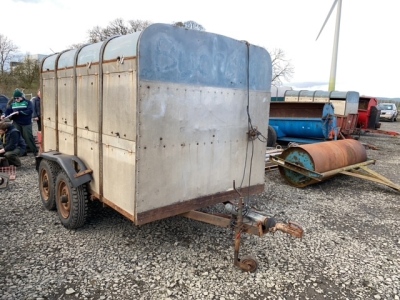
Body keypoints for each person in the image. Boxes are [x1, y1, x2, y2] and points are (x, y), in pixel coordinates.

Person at [2, 89, 38, 156]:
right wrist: (4, 115)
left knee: (28, 138)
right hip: (16, 122)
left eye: (18, 98)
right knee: (18, 137)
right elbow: (8, 111)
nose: (16, 99)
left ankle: (35, 152)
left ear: (21, 97)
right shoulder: (13, 103)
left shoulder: (28, 102)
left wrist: (20, 112)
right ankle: (22, 152)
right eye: (15, 98)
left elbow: (30, 111)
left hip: (26, 123)